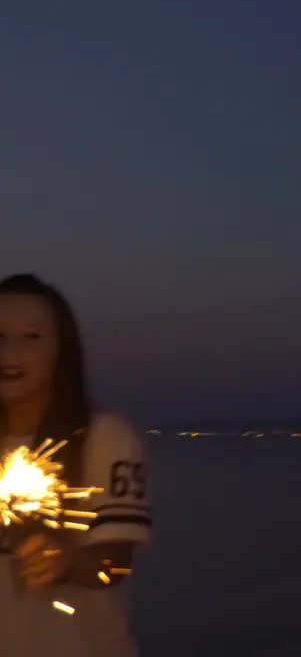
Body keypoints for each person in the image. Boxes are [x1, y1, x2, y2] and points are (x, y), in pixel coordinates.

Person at [0, 274, 152, 657]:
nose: (9, 352)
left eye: (31, 337)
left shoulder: (104, 437)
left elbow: (115, 566)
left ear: (61, 351)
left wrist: (66, 561)